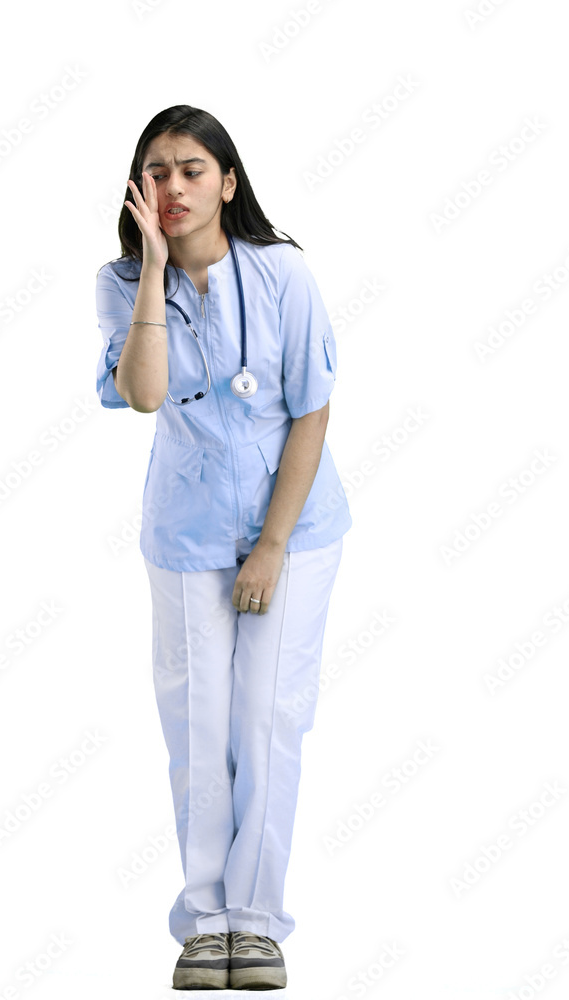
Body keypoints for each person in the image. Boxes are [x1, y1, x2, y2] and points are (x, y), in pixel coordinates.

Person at [94, 105, 353, 991]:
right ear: (138, 189)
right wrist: (155, 273)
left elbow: (311, 407)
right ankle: (205, 923)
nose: (172, 186)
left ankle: (257, 921)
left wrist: (272, 545)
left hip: (294, 529)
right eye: (155, 171)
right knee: (198, 727)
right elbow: (142, 394)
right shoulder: (125, 282)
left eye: (191, 169)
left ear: (228, 182)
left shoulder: (284, 274)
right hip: (188, 533)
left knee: (268, 718)